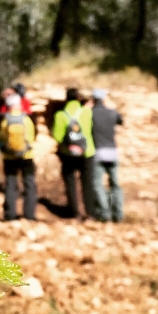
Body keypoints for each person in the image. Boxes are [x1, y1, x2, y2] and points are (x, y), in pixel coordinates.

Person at [52, 88, 96, 220]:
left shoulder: (60, 115)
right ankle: (90, 212)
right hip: (87, 152)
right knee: (87, 182)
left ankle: (74, 211)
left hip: (68, 153)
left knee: (70, 181)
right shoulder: (87, 112)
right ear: (78, 98)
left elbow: (57, 136)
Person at [0, 93, 37, 221]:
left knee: (10, 184)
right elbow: (31, 137)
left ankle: (10, 215)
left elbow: (2, 138)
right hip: (26, 157)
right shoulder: (26, 120)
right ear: (18, 104)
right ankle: (29, 215)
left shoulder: (5, 121)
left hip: (9, 157)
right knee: (29, 184)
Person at [91, 89, 124, 222]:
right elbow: (121, 120)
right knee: (115, 184)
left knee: (98, 184)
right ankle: (119, 214)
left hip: (98, 153)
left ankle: (105, 214)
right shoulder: (112, 113)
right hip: (113, 153)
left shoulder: (91, 113)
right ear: (104, 99)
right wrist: (110, 104)